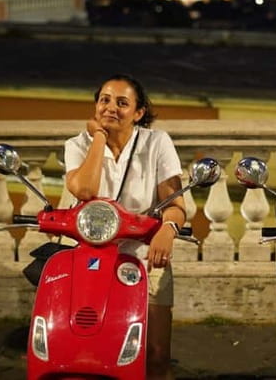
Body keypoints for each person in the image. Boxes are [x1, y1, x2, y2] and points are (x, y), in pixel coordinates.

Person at [64, 74, 185, 380]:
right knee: (92, 348)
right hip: (91, 254)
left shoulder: (157, 142)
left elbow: (175, 204)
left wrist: (167, 231)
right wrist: (99, 140)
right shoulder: (77, 145)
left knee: (156, 354)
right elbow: (85, 191)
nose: (110, 108)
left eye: (122, 102)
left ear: (139, 112)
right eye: (104, 100)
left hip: (145, 250)